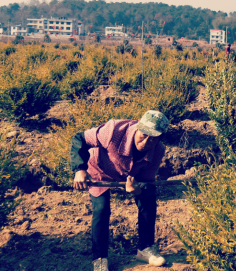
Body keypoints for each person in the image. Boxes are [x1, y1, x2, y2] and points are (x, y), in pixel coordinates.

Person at [71, 111, 170, 271]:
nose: (146, 141)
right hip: (100, 171)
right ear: (138, 127)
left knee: (148, 200)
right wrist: (79, 170)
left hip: (131, 176)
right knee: (102, 209)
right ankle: (100, 258)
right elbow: (80, 139)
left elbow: (146, 181)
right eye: (143, 135)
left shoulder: (158, 150)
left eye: (153, 138)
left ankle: (145, 249)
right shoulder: (113, 131)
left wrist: (137, 191)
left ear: (160, 138)